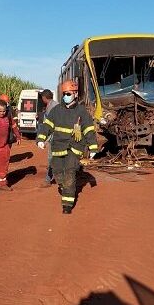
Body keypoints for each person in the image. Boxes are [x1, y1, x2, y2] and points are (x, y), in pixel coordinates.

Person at [36, 80, 98, 214]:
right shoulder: (56, 110)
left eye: (68, 93)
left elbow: (88, 129)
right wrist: (41, 139)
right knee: (58, 173)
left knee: (69, 174)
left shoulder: (82, 111)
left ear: (75, 94)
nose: (66, 96)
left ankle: (67, 204)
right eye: (64, 93)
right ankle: (65, 187)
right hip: (58, 147)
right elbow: (47, 125)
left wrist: (93, 147)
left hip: (73, 148)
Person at [38, 89, 59, 188]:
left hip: (55, 137)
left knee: (51, 158)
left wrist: (46, 140)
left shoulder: (52, 107)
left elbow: (51, 126)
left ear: (44, 98)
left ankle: (48, 179)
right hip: (58, 136)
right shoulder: (54, 105)